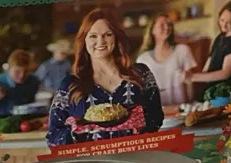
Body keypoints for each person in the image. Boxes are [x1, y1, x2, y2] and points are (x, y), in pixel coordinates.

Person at [46, 9, 163, 147]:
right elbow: (53, 136)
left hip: (135, 158)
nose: (100, 41)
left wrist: (132, 132)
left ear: (116, 37)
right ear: (84, 40)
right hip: (91, 160)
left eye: (107, 34)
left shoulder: (141, 74)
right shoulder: (70, 85)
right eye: (93, 36)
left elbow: (156, 119)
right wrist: (78, 134)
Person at [185, 2, 231, 103]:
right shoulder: (219, 38)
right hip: (211, 91)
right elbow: (207, 66)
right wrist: (191, 76)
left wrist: (194, 77)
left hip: (225, 93)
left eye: (229, 22)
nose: (224, 25)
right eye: (222, 20)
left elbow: (225, 73)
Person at [136, 13, 196, 106]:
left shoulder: (183, 51)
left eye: (169, 25)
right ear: (152, 30)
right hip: (156, 112)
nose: (167, 27)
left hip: (181, 109)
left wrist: (191, 106)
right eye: (162, 25)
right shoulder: (143, 59)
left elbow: (190, 83)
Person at [0, 49, 39, 119]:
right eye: (17, 72)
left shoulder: (34, 81)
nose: (22, 75)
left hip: (26, 119)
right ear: (9, 69)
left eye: (26, 71)